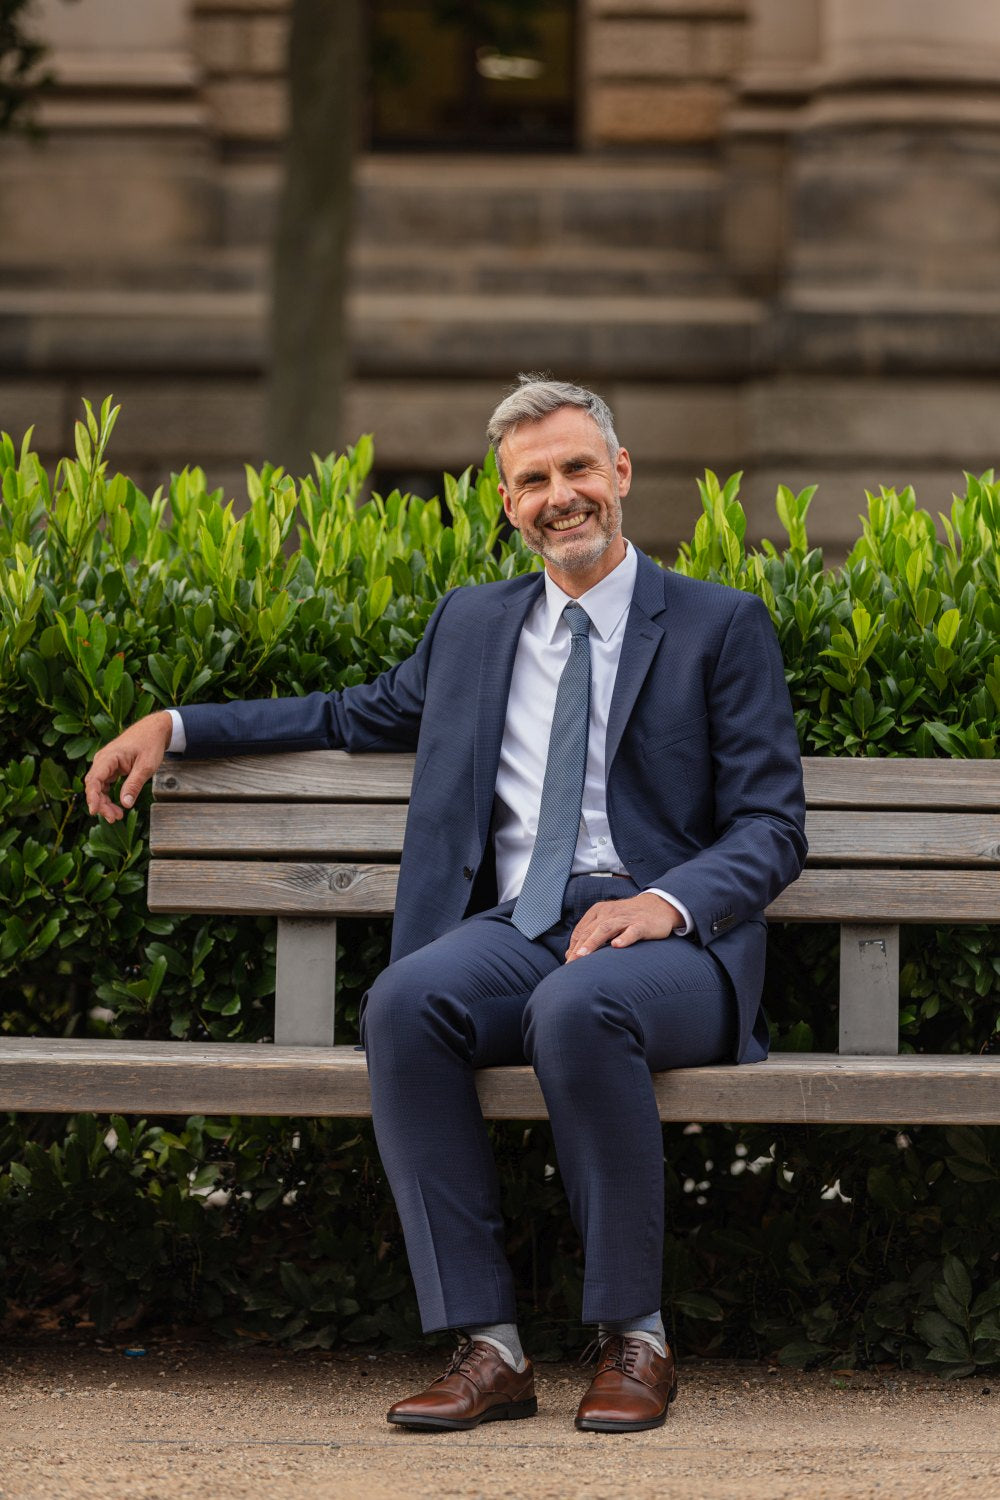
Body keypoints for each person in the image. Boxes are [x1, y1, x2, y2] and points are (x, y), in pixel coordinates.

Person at [85, 376, 807, 1435]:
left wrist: (665, 901)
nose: (557, 495)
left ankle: (633, 1337)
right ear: (507, 505)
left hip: (667, 954)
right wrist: (178, 724)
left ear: (620, 474)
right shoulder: (473, 624)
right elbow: (352, 713)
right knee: (403, 1003)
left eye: (573, 469)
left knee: (579, 1008)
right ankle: (489, 1349)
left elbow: (771, 828)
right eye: (530, 481)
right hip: (520, 925)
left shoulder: (716, 624)